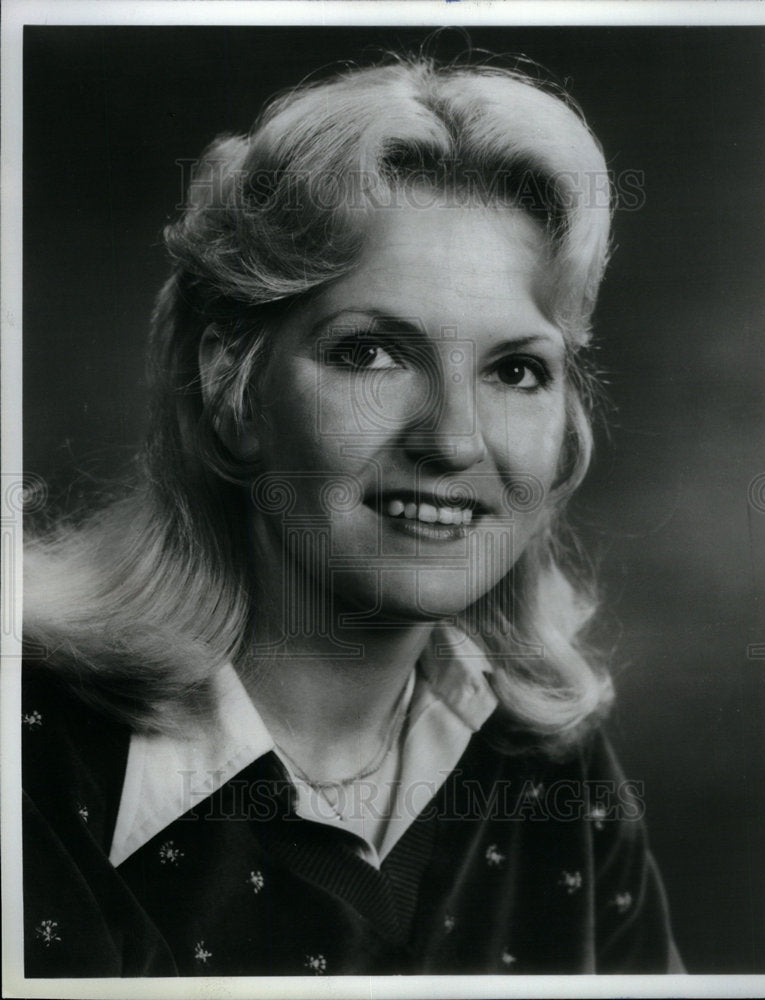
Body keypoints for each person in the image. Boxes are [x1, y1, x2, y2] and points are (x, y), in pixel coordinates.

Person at [21, 55, 683, 976]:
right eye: (372, 353)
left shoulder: (553, 773)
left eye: (515, 369)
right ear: (231, 390)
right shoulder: (34, 763)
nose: (453, 441)